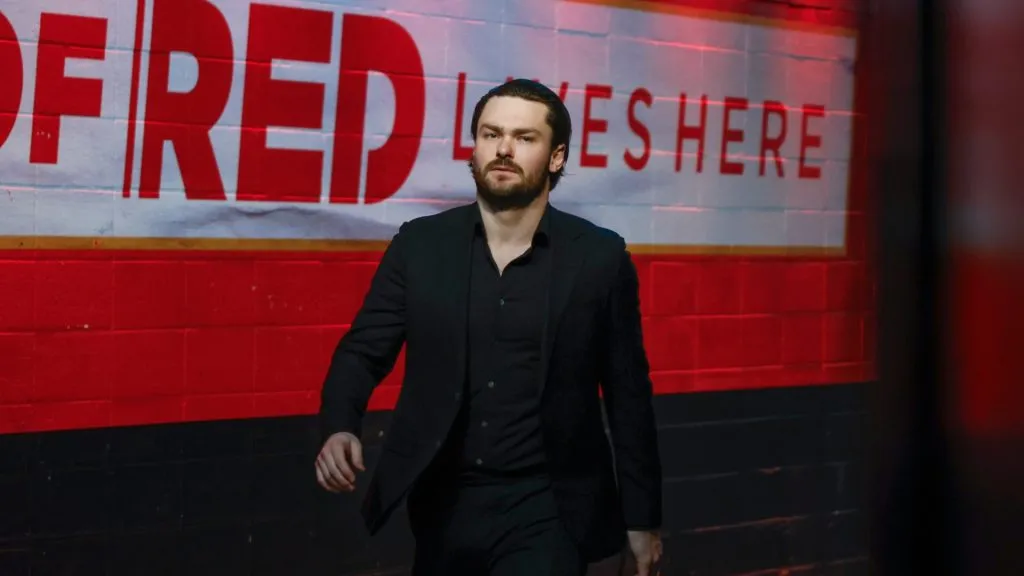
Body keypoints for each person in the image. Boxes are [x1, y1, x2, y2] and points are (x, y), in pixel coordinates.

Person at [315, 78, 664, 575]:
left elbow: (629, 396)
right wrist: (338, 426)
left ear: (557, 157)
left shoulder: (599, 259)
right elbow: (363, 351)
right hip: (443, 505)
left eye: (524, 138)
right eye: (490, 134)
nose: (503, 149)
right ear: (474, 147)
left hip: (549, 509)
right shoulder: (420, 246)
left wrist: (642, 518)